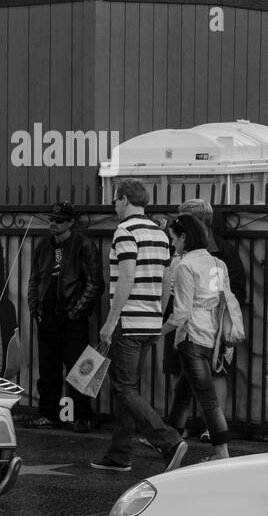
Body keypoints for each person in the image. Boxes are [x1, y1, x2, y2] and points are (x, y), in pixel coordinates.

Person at [91, 179, 187, 473]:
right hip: (149, 321)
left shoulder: (125, 231)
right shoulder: (159, 234)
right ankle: (119, 454)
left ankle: (168, 441)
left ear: (123, 199)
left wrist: (110, 321)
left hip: (128, 322)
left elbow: (127, 278)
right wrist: (157, 315)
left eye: (115, 200)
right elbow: (166, 281)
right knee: (129, 389)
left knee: (123, 388)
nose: (113, 206)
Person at [161, 214, 241, 462]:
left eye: (174, 239)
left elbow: (181, 313)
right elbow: (222, 299)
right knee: (184, 391)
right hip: (213, 335)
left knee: (206, 398)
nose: (173, 245)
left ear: (184, 237)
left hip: (192, 336)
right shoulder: (218, 263)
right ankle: (169, 442)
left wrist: (157, 331)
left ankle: (221, 453)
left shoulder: (186, 266)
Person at [25, 201, 103, 431]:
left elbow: (95, 283)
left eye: (59, 221)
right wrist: (34, 307)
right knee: (47, 369)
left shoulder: (83, 245)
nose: (53, 224)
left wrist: (76, 312)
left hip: (72, 319)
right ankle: (49, 414)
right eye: (51, 219)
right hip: (47, 316)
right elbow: (35, 279)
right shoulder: (43, 245)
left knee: (79, 368)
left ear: (71, 222)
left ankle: (83, 416)